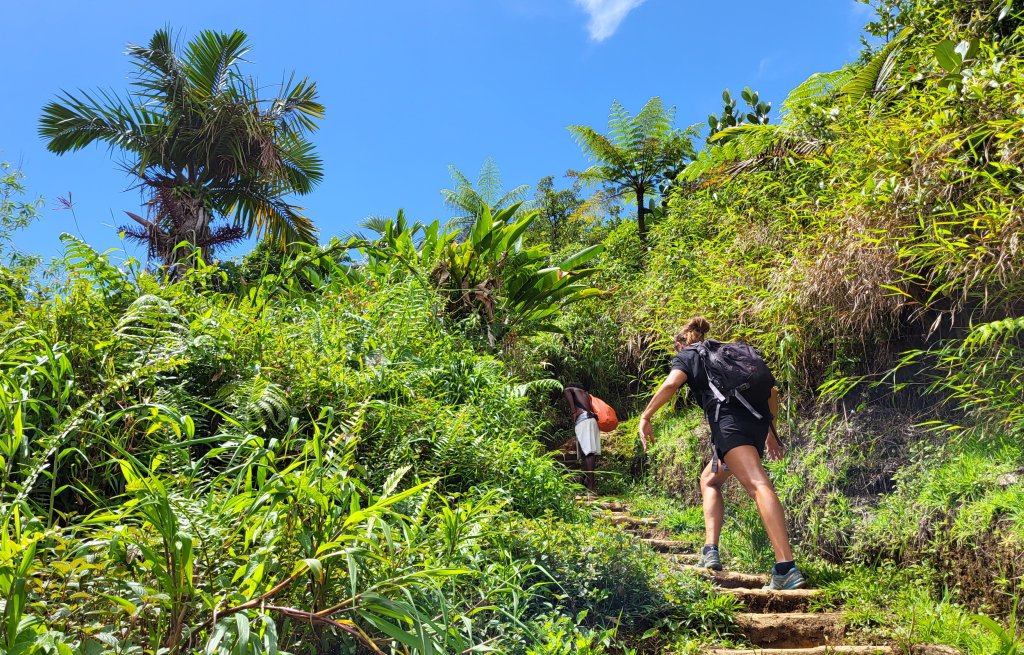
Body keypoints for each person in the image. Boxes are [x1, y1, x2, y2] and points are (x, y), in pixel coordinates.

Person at [637, 316, 805, 590]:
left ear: (680, 343)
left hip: (731, 427)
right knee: (710, 479)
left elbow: (671, 385)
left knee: (758, 483)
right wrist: (770, 432)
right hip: (754, 423)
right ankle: (710, 550)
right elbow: (771, 392)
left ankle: (786, 566)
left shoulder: (688, 354)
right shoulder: (726, 350)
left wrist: (645, 416)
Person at [563, 384, 600, 492]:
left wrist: (573, 411)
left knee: (588, 453)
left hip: (584, 420)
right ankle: (587, 483)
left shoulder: (571, 389)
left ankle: (591, 486)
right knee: (587, 453)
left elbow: (566, 390)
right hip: (593, 420)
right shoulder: (587, 395)